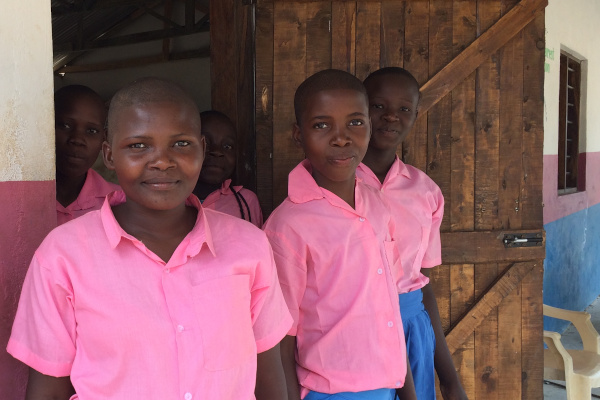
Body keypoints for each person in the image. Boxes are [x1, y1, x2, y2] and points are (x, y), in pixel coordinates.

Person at [7, 77, 292, 400]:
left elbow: (268, 375)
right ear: (110, 155)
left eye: (181, 144)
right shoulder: (63, 256)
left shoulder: (249, 245)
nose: (161, 161)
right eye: (138, 146)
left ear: (201, 148)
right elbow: (48, 390)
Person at [263, 69, 417, 400]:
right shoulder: (288, 226)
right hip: (330, 391)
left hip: (388, 383)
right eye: (321, 125)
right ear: (298, 134)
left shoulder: (375, 203)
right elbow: (280, 336)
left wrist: (407, 391)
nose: (341, 138)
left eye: (355, 123)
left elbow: (390, 304)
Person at [358, 67, 468, 400]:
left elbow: (421, 285)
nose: (391, 117)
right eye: (378, 106)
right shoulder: (330, 187)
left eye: (404, 109)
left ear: (416, 115)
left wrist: (449, 379)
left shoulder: (426, 192)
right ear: (359, 110)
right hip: (355, 333)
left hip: (412, 330)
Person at [54, 85, 120, 225]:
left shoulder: (118, 201)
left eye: (91, 131)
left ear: (104, 138)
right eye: (65, 125)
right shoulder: (16, 199)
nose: (77, 139)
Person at [193, 110, 264, 227]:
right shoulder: (173, 201)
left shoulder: (246, 202)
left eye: (227, 146)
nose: (217, 151)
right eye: (206, 143)